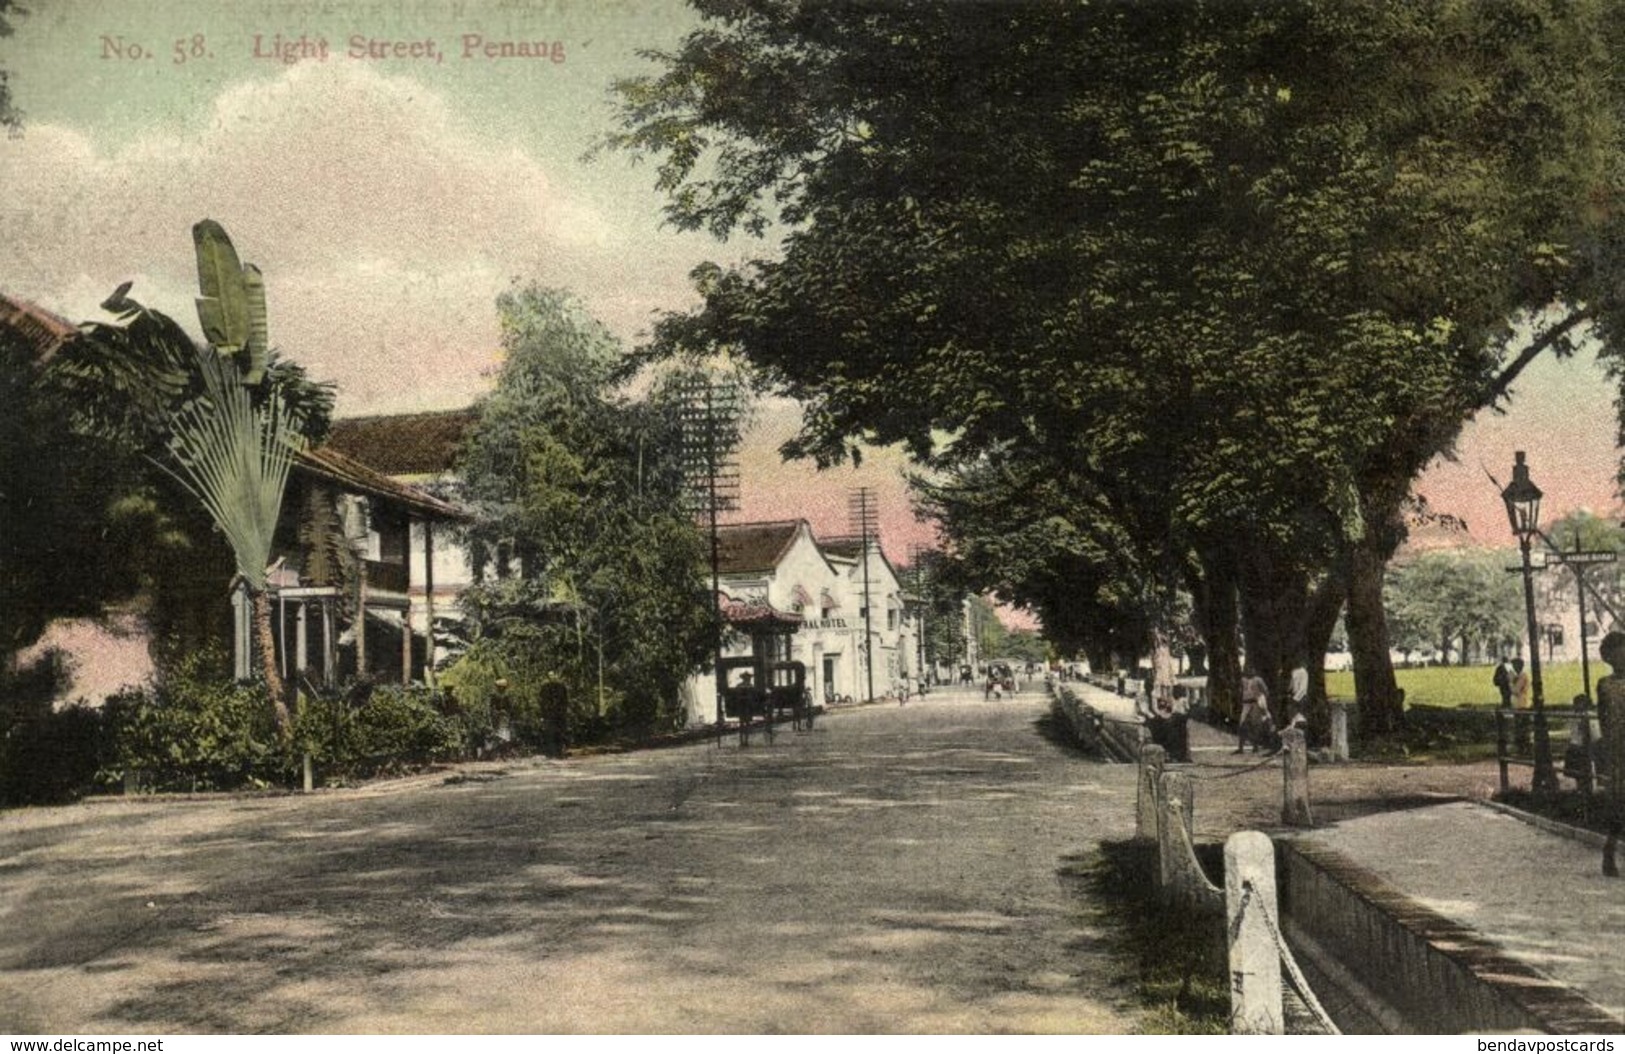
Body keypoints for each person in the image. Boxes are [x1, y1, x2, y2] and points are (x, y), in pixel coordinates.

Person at [1236, 669, 1269, 754]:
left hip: (1255, 703)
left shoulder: (1258, 680)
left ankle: (1255, 746)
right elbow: (1240, 691)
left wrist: (1261, 699)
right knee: (1242, 724)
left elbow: (1266, 690)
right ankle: (1240, 747)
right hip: (1245, 703)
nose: (1250, 671)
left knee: (1255, 724)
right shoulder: (1243, 680)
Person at [1512, 657, 1532, 752]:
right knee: (1520, 728)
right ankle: (1522, 747)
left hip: (1522, 705)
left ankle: (1524, 747)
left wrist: (1510, 683)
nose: (1514, 668)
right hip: (1519, 705)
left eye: (1515, 665)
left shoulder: (1523, 676)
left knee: (1522, 727)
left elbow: (1516, 690)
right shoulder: (1519, 676)